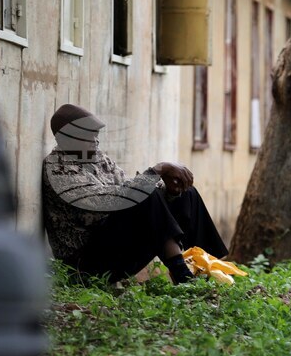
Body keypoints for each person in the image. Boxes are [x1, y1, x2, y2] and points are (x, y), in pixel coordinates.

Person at [42, 103, 228, 284]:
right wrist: (157, 170)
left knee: (185, 194)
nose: (95, 142)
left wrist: (170, 192)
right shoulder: (58, 169)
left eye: (96, 135)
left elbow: (127, 185)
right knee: (144, 193)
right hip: (85, 263)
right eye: (88, 136)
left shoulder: (97, 158)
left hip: (113, 247)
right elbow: (106, 202)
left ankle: (210, 269)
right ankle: (183, 276)